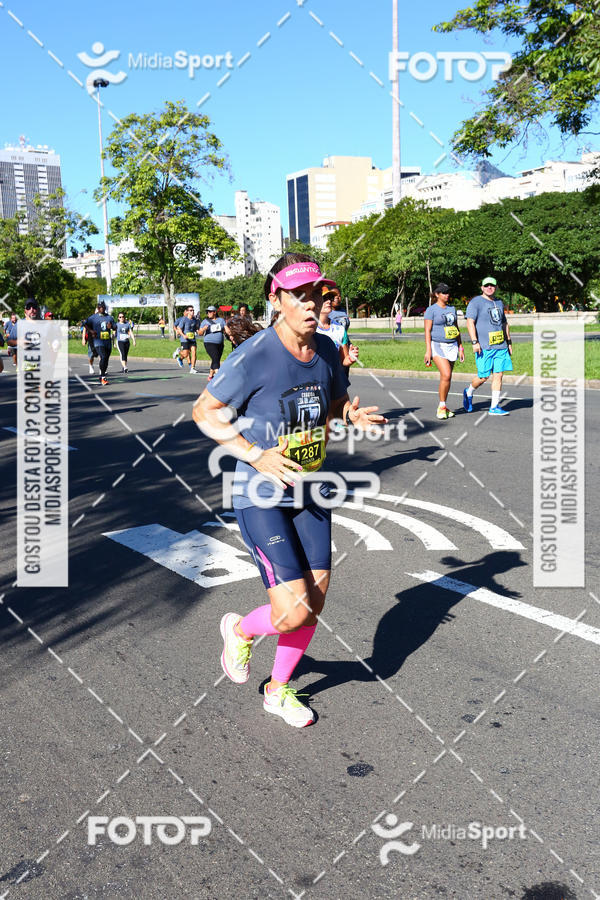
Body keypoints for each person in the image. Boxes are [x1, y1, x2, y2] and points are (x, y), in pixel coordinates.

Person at [192, 252, 386, 728]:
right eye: (298, 295)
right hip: (261, 495)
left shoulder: (326, 349)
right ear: (276, 299)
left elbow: (333, 404)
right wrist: (255, 454)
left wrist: (350, 415)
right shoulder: (255, 354)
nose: (310, 303)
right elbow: (204, 412)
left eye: (316, 293)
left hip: (310, 489)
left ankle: (277, 690)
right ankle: (240, 630)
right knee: (293, 609)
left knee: (312, 605)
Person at [463, 276, 513, 416]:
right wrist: (474, 342)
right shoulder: (475, 302)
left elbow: (504, 323)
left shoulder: (499, 302)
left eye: (492, 285)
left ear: (496, 287)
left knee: (499, 375)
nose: (489, 287)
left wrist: (509, 342)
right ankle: (469, 391)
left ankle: (494, 407)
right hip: (484, 347)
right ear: (482, 288)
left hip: (500, 346)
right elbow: (470, 322)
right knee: (483, 377)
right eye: (486, 285)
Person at [424, 283, 465, 419]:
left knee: (447, 378)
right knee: (446, 374)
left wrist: (460, 347)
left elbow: (456, 329)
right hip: (437, 345)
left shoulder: (452, 309)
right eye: (444, 292)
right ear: (437, 294)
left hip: (452, 345)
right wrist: (428, 351)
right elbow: (427, 331)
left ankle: (444, 406)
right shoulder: (431, 310)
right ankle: (441, 407)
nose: (447, 295)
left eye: (448, 292)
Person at [318, 286, 359, 381]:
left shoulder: (340, 329)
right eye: (324, 298)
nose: (328, 301)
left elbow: (344, 360)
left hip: (334, 382)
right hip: (315, 382)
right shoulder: (309, 328)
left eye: (330, 298)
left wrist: (350, 358)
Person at [84, 300, 115, 386]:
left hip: (107, 342)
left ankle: (102, 375)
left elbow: (115, 327)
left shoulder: (109, 317)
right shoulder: (93, 317)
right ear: (98, 308)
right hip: (98, 341)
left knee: (106, 359)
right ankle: (103, 377)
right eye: (100, 307)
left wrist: (111, 326)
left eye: (103, 307)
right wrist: (91, 331)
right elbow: (85, 324)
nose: (102, 308)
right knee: (103, 356)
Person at [199, 305, 226, 380]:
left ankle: (210, 376)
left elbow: (226, 329)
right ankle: (219, 375)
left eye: (210, 312)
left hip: (220, 344)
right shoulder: (205, 321)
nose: (208, 313)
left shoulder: (221, 320)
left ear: (214, 312)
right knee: (215, 358)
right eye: (207, 312)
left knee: (216, 359)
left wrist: (230, 335)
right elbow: (200, 333)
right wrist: (203, 329)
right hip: (209, 343)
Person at [174, 305, 200, 373]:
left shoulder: (194, 320)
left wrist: (198, 331)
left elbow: (196, 328)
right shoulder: (184, 319)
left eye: (193, 310)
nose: (192, 311)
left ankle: (192, 368)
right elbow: (179, 328)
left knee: (194, 352)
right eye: (191, 310)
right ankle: (178, 352)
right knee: (186, 354)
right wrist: (183, 335)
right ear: (187, 312)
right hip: (184, 339)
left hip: (192, 339)